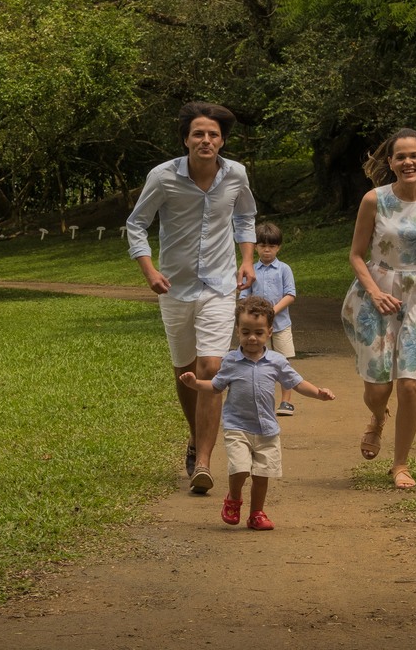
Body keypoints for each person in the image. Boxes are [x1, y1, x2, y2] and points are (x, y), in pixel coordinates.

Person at [126, 102, 258, 495]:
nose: (206, 140)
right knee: (185, 371)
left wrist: (247, 259)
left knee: (211, 366)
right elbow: (136, 224)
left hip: (219, 286)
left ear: (222, 141)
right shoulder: (163, 177)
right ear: (186, 139)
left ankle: (203, 462)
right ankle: (194, 436)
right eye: (198, 134)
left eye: (213, 135)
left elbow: (245, 217)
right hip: (174, 288)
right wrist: (149, 271)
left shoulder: (236, 174)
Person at [341, 127, 416, 490]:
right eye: (400, 156)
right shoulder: (374, 200)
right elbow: (356, 255)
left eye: (414, 155)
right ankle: (377, 418)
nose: (408, 162)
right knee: (378, 389)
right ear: (390, 162)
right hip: (376, 293)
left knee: (410, 384)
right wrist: (375, 292)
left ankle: (401, 464)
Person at [179, 296, 335, 530]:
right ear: (238, 331)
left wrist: (319, 393)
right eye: (246, 332)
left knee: (262, 475)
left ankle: (256, 513)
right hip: (237, 427)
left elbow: (297, 382)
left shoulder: (277, 361)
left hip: (266, 429)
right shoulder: (231, 361)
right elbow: (215, 386)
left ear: (269, 332)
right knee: (240, 469)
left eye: (259, 333)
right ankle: (233, 498)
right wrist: (194, 384)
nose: (252, 338)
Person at [241, 221, 299, 417]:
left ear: (278, 247)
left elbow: (290, 294)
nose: (267, 250)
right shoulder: (251, 270)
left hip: (281, 324)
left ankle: (286, 401)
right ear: (256, 247)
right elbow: (243, 297)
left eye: (271, 246)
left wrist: (272, 311)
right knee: (257, 360)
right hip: (257, 328)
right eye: (263, 246)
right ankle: (259, 402)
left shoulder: (284, 269)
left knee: (283, 361)